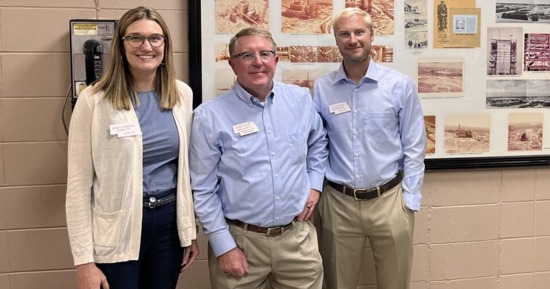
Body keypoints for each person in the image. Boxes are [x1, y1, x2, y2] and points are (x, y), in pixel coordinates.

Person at [66, 6, 199, 289]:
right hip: (119, 229)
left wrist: (188, 231)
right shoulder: (94, 101)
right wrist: (84, 262)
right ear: (121, 45)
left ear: (165, 45)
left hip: (168, 227)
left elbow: (184, 171)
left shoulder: (182, 95)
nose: (146, 46)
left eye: (155, 38)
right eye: (135, 38)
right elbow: (78, 187)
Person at [190, 27, 327, 289]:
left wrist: (314, 185)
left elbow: (319, 143)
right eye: (246, 55)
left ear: (275, 60)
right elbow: (202, 189)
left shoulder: (300, 100)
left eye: (265, 53)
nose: (257, 62)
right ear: (232, 64)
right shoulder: (209, 117)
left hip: (297, 240)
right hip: (241, 242)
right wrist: (223, 246)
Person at [312, 8, 426, 289]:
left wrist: (409, 201)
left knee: (395, 282)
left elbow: (414, 145)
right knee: (338, 283)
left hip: (389, 200)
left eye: (359, 32)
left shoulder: (399, 86)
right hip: (338, 203)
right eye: (344, 34)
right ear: (336, 40)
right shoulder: (322, 88)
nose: (352, 39)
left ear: (372, 36)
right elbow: (316, 146)